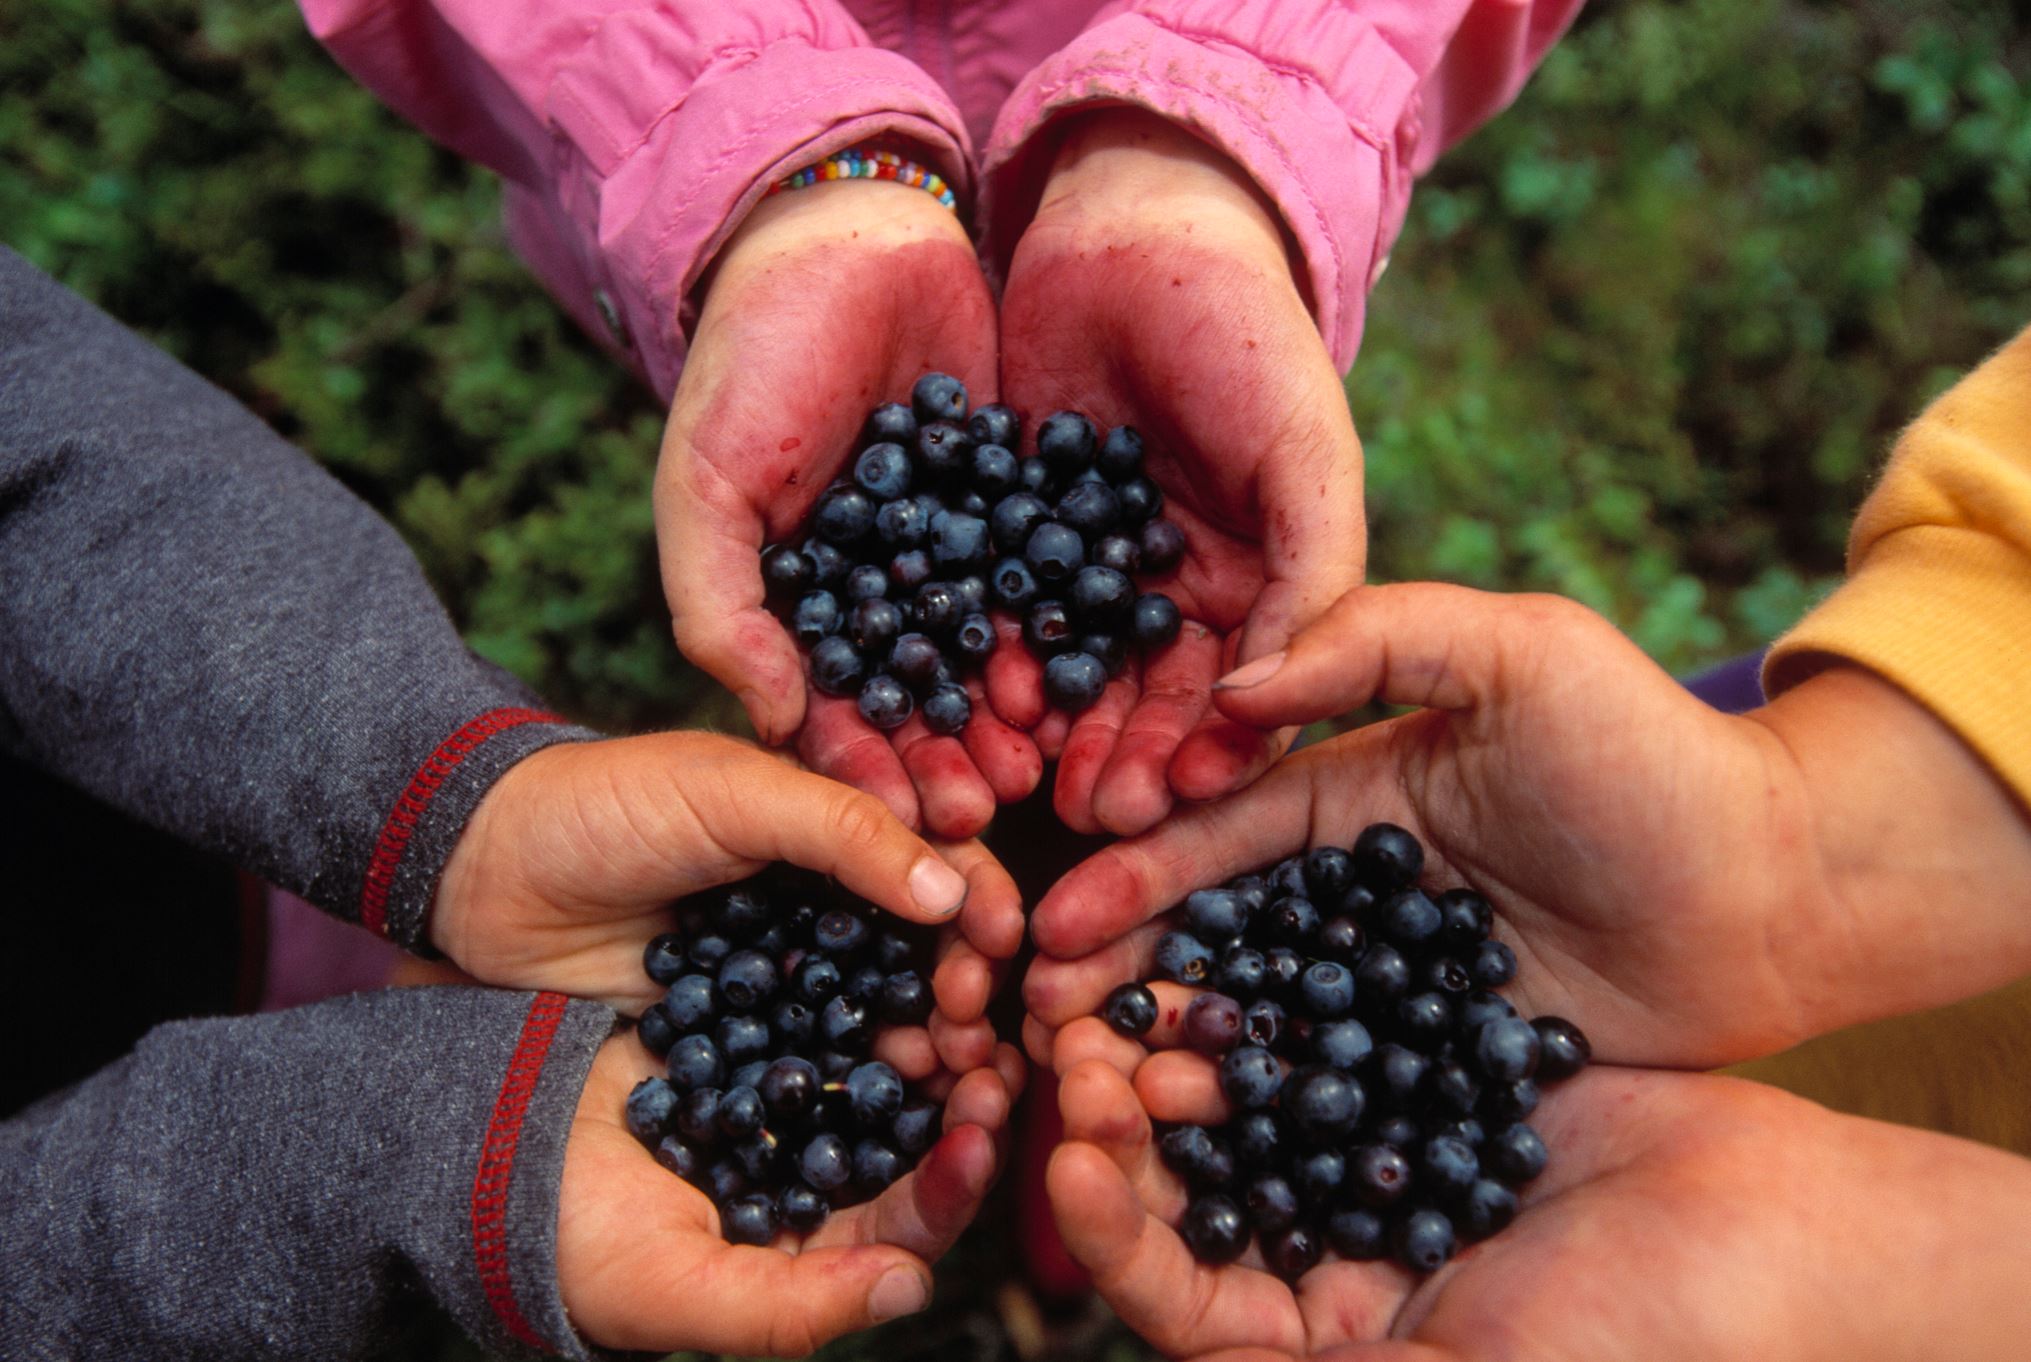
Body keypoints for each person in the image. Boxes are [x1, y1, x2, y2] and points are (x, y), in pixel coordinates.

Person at [0, 246, 1024, 1358]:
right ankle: (397, 1011)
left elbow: (36, 435)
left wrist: (449, 814)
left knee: (395, 950)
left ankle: (394, 962)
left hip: (202, 841)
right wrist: (386, 1164)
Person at [296, 0, 1587, 840]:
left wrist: (1213, 133)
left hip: (1198, 171)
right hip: (707, 206)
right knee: (786, 464)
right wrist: (753, 157)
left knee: (1054, 744)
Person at [1022, 324, 2031, 1354]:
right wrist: (1791, 833)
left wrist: (1847, 1296)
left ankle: (1051, 1286)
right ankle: (1049, 1272)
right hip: (1839, 837)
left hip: (1720, 1189)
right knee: (1130, 1063)